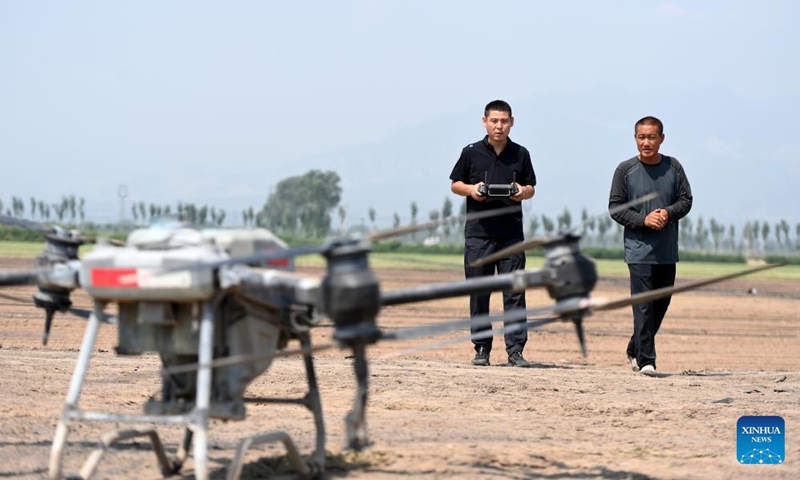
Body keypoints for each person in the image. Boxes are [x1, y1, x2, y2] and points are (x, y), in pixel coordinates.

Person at [449, 100, 537, 367]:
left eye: (504, 121)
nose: (499, 126)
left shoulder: (521, 153)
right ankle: (481, 348)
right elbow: (455, 184)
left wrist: (522, 192)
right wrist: (473, 190)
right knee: (479, 292)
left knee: (514, 293)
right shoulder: (471, 152)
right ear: (484, 121)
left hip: (511, 234)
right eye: (494, 121)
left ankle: (515, 351)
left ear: (512, 122)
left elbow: (531, 187)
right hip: (479, 234)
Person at [608, 116, 693, 376]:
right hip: (638, 249)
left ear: (661, 139)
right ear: (635, 138)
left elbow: (686, 200)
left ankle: (635, 347)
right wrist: (644, 220)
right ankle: (647, 361)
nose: (646, 142)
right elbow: (615, 208)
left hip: (667, 250)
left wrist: (667, 213)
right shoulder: (625, 170)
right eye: (641, 137)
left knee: (661, 304)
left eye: (651, 137)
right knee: (644, 305)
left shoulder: (673, 167)